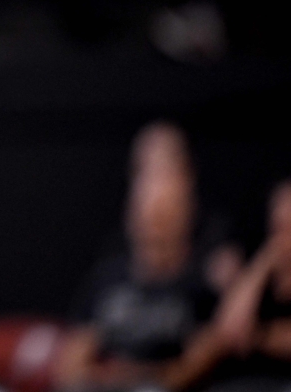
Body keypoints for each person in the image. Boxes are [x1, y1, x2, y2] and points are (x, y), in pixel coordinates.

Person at [57, 122, 225, 392]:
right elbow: (69, 367)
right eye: (145, 217)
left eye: (163, 218)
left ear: (185, 217)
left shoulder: (202, 284)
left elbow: (193, 367)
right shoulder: (106, 278)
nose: (152, 229)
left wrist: (128, 375)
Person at [209, 180, 291, 392]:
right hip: (246, 382)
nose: (285, 239)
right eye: (279, 228)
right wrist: (262, 264)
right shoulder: (261, 272)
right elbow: (228, 331)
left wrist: (257, 338)